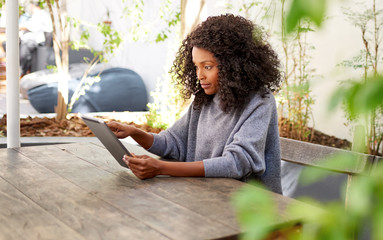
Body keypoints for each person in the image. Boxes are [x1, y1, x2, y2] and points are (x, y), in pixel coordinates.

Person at [107, 14, 283, 194]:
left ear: (233, 65)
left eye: (207, 66)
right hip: (203, 196)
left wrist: (161, 168)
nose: (200, 75)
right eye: (196, 66)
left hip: (252, 209)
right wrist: (134, 133)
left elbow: (236, 163)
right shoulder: (205, 98)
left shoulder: (260, 101)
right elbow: (174, 143)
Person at [2, 1, 52, 76]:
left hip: (37, 41)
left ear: (32, 6)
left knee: (25, 47)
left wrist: (16, 27)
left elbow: (31, 27)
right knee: (7, 44)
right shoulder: (36, 15)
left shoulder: (41, 14)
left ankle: (22, 70)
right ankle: (14, 65)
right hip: (29, 38)